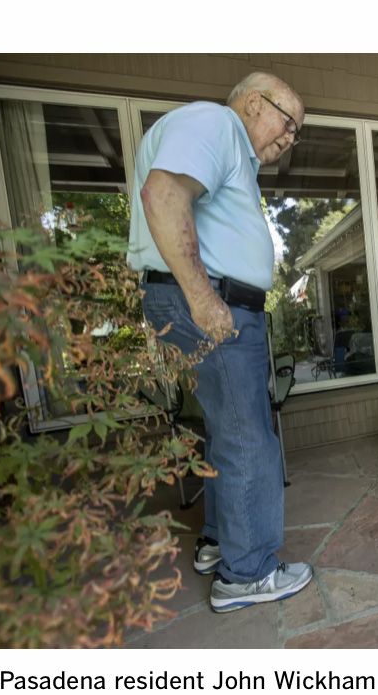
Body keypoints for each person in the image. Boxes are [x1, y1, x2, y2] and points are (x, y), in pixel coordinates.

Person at [128, 72, 312, 614]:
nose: (290, 137)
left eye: (296, 132)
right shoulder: (216, 123)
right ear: (255, 102)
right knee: (249, 437)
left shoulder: (226, 144)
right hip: (211, 306)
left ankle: (216, 542)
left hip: (202, 304)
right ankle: (247, 571)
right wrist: (206, 300)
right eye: (287, 121)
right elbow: (163, 195)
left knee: (226, 430)